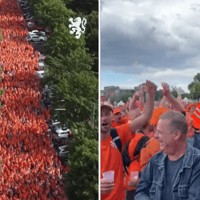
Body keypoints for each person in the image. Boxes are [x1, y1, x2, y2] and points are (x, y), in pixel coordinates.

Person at [101, 80, 157, 200]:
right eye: (100, 115)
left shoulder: (118, 134)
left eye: (107, 114)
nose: (104, 118)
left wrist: (151, 96)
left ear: (111, 117)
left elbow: (145, 116)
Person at [134, 111, 200, 200]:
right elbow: (141, 192)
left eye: (160, 132)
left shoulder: (196, 162)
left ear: (176, 134)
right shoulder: (155, 160)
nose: (155, 136)